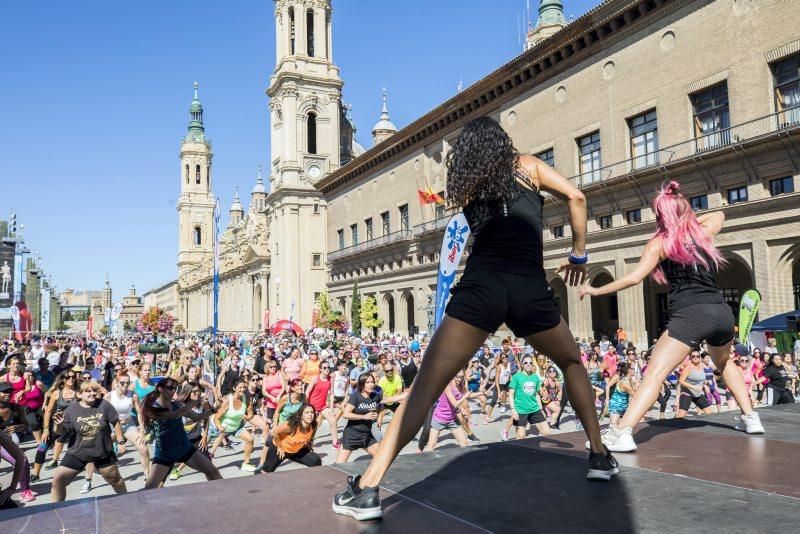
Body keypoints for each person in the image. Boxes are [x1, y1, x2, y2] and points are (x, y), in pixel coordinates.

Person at [333, 117, 616, 521]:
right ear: (503, 142)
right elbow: (577, 197)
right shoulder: (530, 167)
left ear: (467, 154)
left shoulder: (470, 184)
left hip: (481, 288)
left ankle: (367, 489)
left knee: (426, 387)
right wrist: (578, 253)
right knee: (571, 362)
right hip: (528, 289)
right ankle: (599, 455)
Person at [579, 180, 764, 452]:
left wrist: (596, 290)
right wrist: (686, 220)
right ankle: (751, 418)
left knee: (654, 374)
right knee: (725, 362)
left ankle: (621, 432)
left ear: (660, 216)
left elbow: (633, 278)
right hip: (722, 311)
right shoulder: (703, 233)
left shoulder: (660, 243)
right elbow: (720, 214)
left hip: (691, 314)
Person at [49, 380, 127, 501]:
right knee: (58, 481)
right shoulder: (71, 410)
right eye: (88, 391)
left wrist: (121, 441)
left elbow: (115, 422)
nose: (93, 393)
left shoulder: (104, 405)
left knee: (116, 480)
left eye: (95, 390)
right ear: (79, 394)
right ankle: (55, 510)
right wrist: (58, 424)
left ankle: (127, 500)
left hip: (102, 451)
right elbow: (58, 432)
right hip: (78, 452)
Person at [140, 377, 221, 488]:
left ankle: (223, 496)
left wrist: (214, 410)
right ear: (160, 389)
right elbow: (174, 415)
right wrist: (195, 403)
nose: (173, 390)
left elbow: (197, 416)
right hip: (165, 454)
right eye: (170, 388)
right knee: (150, 489)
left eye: (175, 388)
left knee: (213, 472)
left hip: (184, 449)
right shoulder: (154, 408)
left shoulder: (176, 405)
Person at [104, 371, 150, 476]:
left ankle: (147, 474)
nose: (125, 385)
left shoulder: (133, 395)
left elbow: (139, 413)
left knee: (143, 447)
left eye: (128, 383)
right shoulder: (109, 396)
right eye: (122, 383)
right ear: (116, 383)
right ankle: (90, 478)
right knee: (101, 450)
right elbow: (102, 414)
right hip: (113, 426)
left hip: (128, 425)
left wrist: (142, 429)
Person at [254, 403, 321, 474]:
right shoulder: (292, 425)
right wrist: (279, 447)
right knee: (266, 472)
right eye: (307, 413)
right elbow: (275, 431)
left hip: (296, 451)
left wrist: (309, 444)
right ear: (301, 415)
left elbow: (309, 436)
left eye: (312, 412)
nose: (310, 415)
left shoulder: (312, 425)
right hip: (281, 450)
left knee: (316, 461)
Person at [335, 372, 382, 464]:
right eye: (367, 382)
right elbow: (346, 414)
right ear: (362, 384)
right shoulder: (355, 396)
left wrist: (378, 414)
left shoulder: (375, 396)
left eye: (372, 382)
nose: (371, 384)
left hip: (367, 436)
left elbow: (384, 403)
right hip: (352, 435)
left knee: (381, 458)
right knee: (339, 465)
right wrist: (364, 416)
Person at [504, 356, 551, 441]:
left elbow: (536, 394)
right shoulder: (516, 377)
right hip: (520, 411)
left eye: (530, 363)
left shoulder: (535, 377)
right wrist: (513, 410)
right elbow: (510, 394)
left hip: (534, 409)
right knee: (521, 437)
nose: (528, 364)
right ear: (522, 365)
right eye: (526, 363)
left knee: (547, 433)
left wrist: (540, 409)